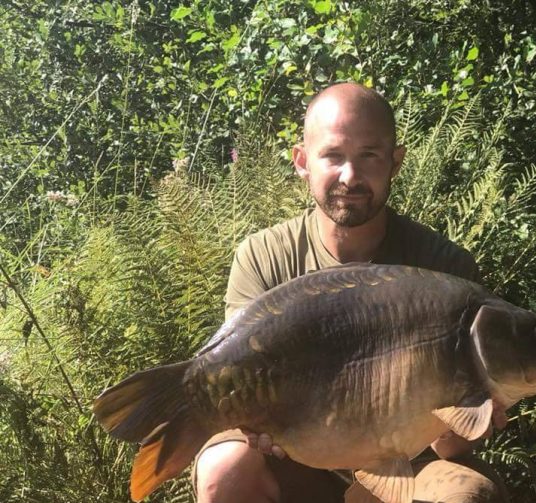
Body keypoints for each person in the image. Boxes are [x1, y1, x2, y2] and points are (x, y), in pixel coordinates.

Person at [193, 83, 509, 503]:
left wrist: (472, 420)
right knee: (224, 471)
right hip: (298, 446)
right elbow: (237, 380)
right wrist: (260, 424)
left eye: (369, 156)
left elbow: (450, 446)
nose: (350, 176)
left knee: (464, 496)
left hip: (408, 460)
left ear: (395, 161)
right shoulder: (265, 256)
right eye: (333, 156)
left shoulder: (445, 269)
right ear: (303, 161)